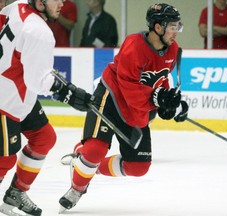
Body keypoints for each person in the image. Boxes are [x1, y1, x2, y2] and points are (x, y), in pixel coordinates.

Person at [58, 3, 189, 213]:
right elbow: (129, 88)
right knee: (95, 150)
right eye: (172, 26)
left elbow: (161, 79)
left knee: (138, 167)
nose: (176, 31)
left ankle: (84, 164)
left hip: (136, 107)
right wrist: (155, 97)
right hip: (111, 98)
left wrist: (166, 103)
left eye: (177, 26)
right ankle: (77, 187)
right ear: (157, 27)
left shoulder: (172, 49)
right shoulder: (134, 45)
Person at [0, 0, 93, 215]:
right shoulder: (39, 31)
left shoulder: (18, 5)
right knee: (5, 159)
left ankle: (16, 192)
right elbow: (38, 81)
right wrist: (69, 92)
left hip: (19, 95)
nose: (62, 3)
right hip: (5, 100)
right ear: (40, 2)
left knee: (44, 137)